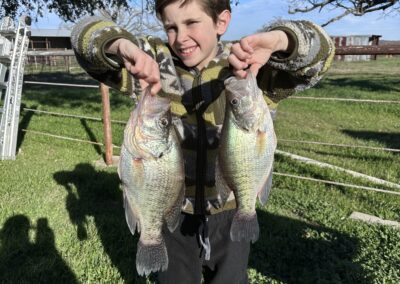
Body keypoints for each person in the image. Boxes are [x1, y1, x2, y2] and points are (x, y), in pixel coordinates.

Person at [71, 0, 335, 283]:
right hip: (172, 209)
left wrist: (280, 39)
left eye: (192, 23)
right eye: (170, 27)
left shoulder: (251, 69)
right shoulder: (150, 63)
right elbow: (83, 36)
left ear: (221, 22)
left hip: (229, 209)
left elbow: (321, 55)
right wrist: (121, 47)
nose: (180, 38)